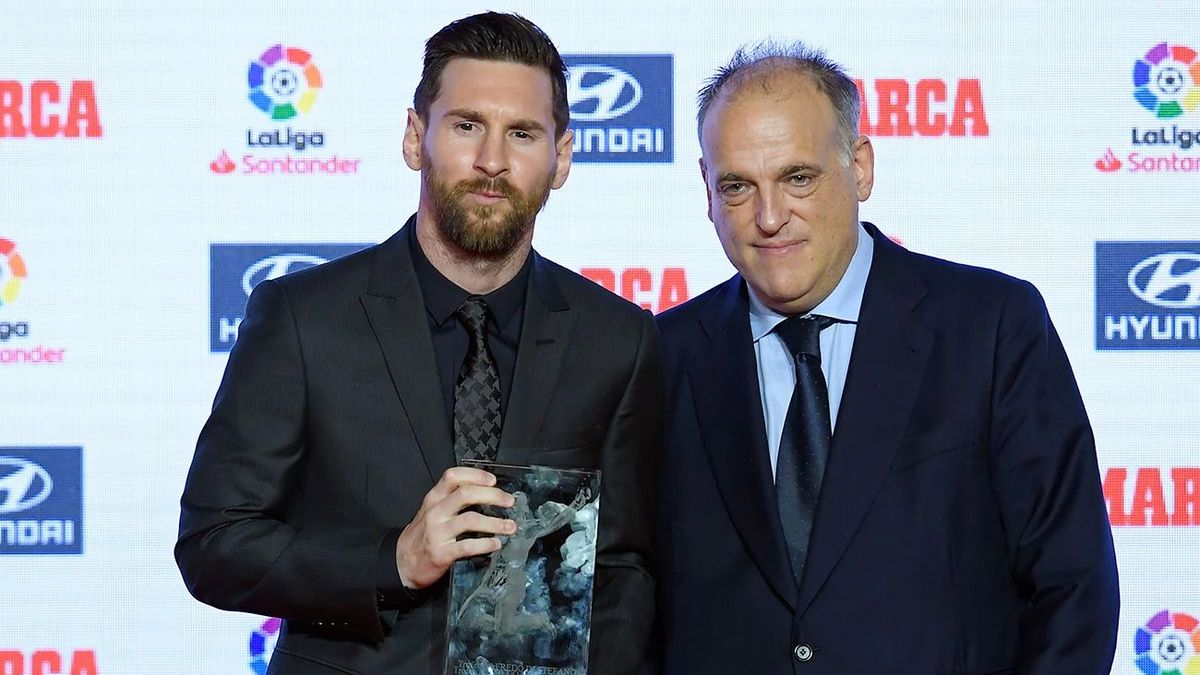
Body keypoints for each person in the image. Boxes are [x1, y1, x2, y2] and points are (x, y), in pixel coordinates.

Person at [175, 13, 660, 674]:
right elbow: (214, 543)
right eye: (466, 126)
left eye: (522, 133)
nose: (492, 161)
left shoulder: (618, 339)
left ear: (562, 157)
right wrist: (393, 560)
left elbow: (625, 566)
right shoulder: (302, 319)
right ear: (414, 137)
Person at [653, 42, 1118, 674]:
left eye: (798, 178)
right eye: (737, 186)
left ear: (861, 167)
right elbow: (629, 598)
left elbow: (1072, 585)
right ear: (707, 190)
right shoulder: (662, 356)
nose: (769, 216)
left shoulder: (990, 325)